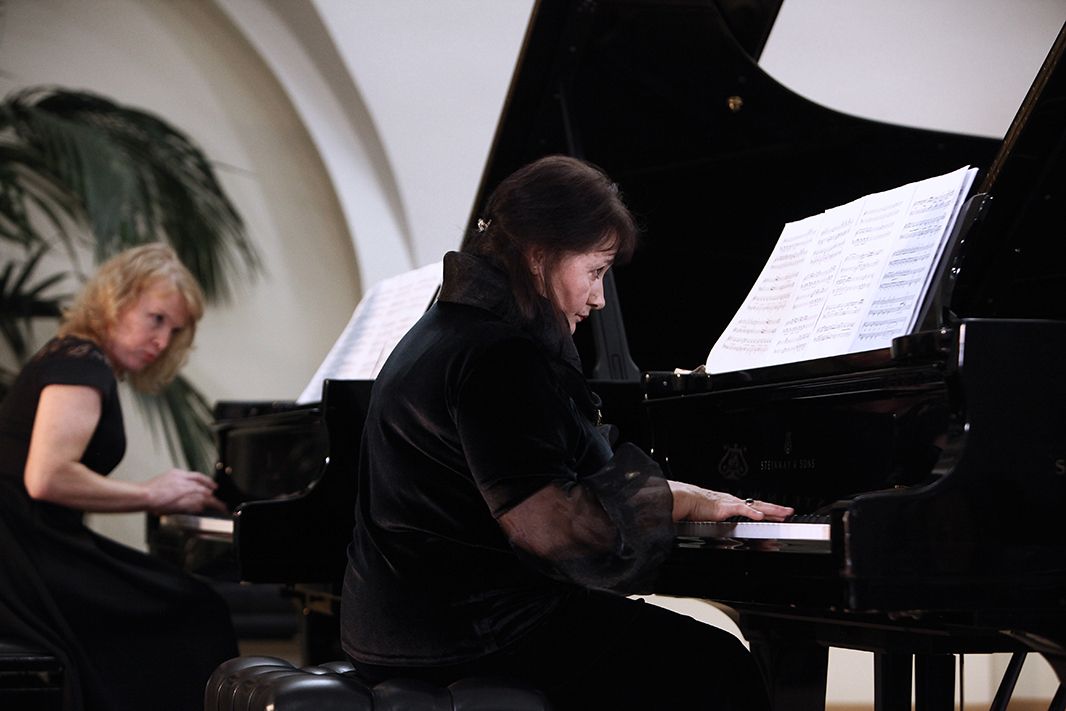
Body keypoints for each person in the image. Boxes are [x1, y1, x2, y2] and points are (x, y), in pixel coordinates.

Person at [340, 155, 794, 709]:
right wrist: (676, 499)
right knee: (719, 665)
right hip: (468, 635)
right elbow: (552, 528)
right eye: (596, 271)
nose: (599, 298)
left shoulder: (442, 331)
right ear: (539, 255)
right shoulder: (498, 354)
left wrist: (671, 497)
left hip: (395, 628)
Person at [0, 243, 238, 710]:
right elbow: (47, 478)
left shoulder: (74, 357)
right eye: (156, 319)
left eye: (174, 330)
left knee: (181, 605)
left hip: (29, 546)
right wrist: (152, 493)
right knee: (197, 609)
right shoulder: (81, 363)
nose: (162, 341)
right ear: (115, 300)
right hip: (21, 560)